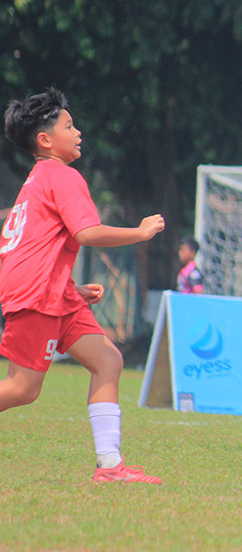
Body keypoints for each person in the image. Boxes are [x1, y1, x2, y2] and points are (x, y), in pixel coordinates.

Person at [0, 88, 165, 484]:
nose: (78, 132)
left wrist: (69, 287)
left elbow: (37, 242)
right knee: (23, 388)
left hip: (54, 292)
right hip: (37, 294)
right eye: (68, 125)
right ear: (45, 140)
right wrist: (140, 232)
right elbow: (87, 232)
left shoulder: (38, 178)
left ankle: (110, 467)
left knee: (108, 360)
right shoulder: (61, 174)